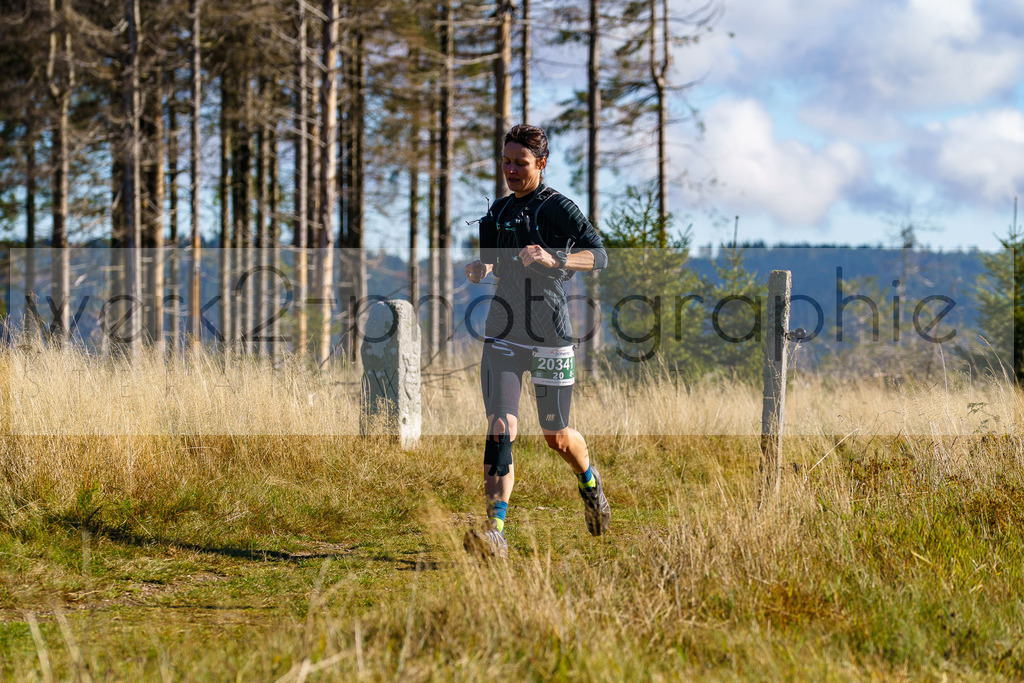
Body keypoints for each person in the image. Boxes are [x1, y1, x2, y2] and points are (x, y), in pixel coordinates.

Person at [463, 124, 610, 560]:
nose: (510, 170)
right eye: (506, 161)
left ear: (541, 164)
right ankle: (495, 530)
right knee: (500, 428)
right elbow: (491, 261)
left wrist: (555, 257)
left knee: (556, 436)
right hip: (504, 330)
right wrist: (481, 270)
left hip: (550, 332)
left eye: (520, 163)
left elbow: (599, 254)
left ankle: (590, 484)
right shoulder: (496, 214)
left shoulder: (559, 208)